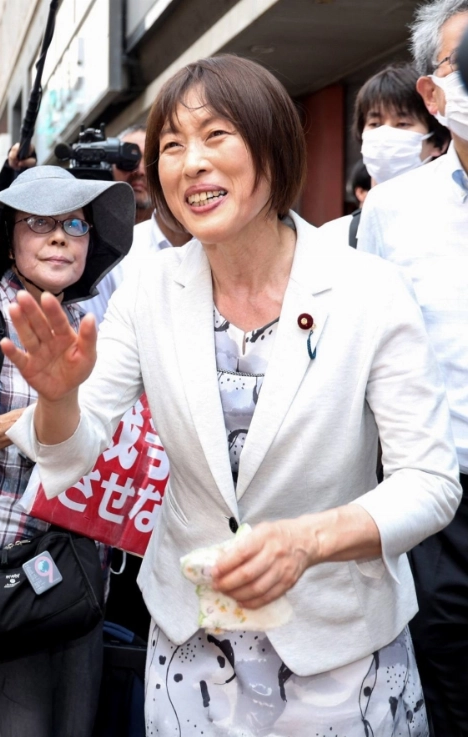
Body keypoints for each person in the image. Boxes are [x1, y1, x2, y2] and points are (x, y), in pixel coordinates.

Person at [1, 55, 460, 735]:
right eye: (172, 146)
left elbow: (429, 480)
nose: (191, 163)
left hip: (340, 644)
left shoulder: (367, 289)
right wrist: (61, 399)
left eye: (216, 135)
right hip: (192, 643)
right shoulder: (146, 291)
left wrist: (309, 540)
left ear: (272, 143)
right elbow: (75, 448)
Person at [0, 166, 133, 737]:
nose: (59, 237)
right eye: (39, 222)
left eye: (75, 223)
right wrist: (50, 410)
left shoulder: (95, 324)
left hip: (81, 575)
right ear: (10, 237)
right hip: (10, 572)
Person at [357, 2, 468, 732]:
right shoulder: (394, 212)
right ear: (435, 94)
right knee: (447, 672)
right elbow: (363, 355)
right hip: (442, 502)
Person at [321, 64, 448, 247]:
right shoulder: (332, 237)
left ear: (438, 143)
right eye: (375, 124)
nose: (385, 133)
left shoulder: (454, 225)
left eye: (402, 123)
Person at [83, 125, 191, 325]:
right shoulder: (105, 254)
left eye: (150, 160)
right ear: (111, 166)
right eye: (128, 158)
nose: (139, 170)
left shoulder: (208, 234)